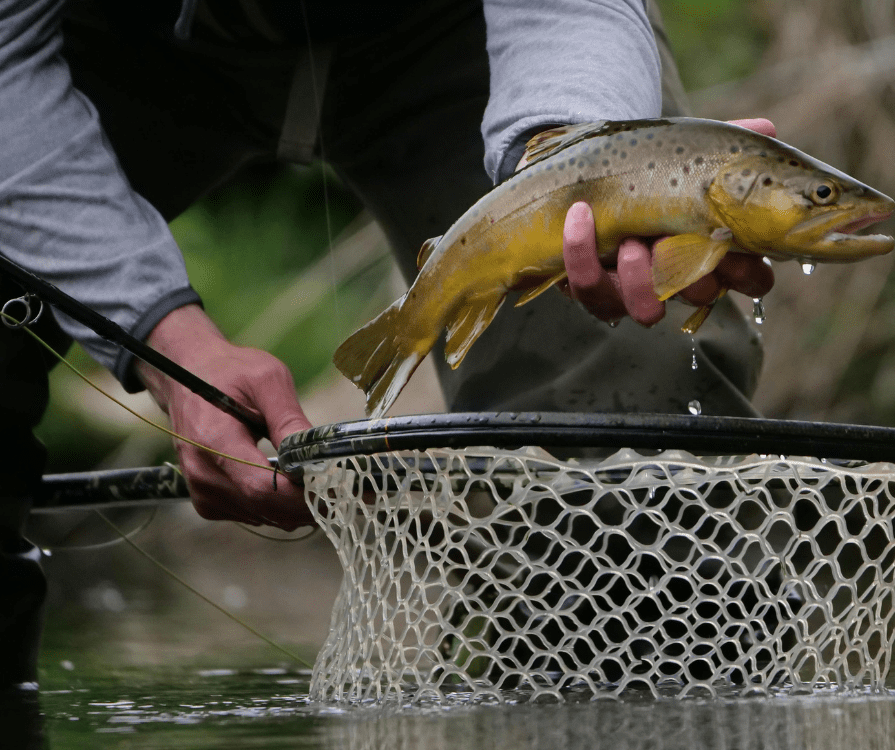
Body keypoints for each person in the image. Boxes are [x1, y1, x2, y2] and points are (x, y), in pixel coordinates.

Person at [0, 0, 774, 687]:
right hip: (101, 34)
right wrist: (160, 334)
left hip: (453, 28)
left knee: (637, 376)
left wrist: (579, 170)